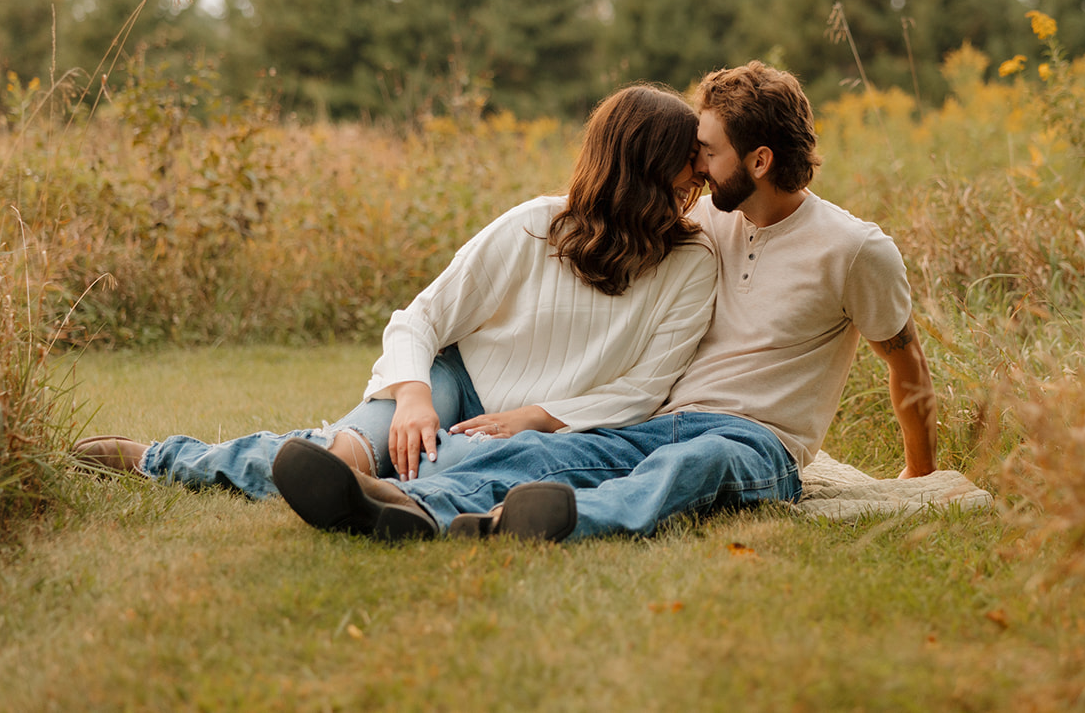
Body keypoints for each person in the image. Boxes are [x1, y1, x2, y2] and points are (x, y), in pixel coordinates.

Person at [270, 61, 941, 542]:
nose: (694, 170)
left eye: (706, 153)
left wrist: (919, 473)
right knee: (542, 452)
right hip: (664, 418)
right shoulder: (709, 222)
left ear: (759, 160)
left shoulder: (854, 248)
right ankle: (403, 502)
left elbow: (903, 358)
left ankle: (557, 519)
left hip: (756, 440)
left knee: (693, 465)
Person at [72, 84, 718, 500]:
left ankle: (169, 459)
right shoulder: (535, 224)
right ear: (644, 163)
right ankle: (304, 462)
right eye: (689, 158)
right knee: (360, 448)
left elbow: (641, 390)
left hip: (541, 425)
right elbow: (422, 319)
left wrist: (533, 416)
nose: (701, 173)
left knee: (403, 465)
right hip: (454, 377)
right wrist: (412, 395)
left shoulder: (691, 262)